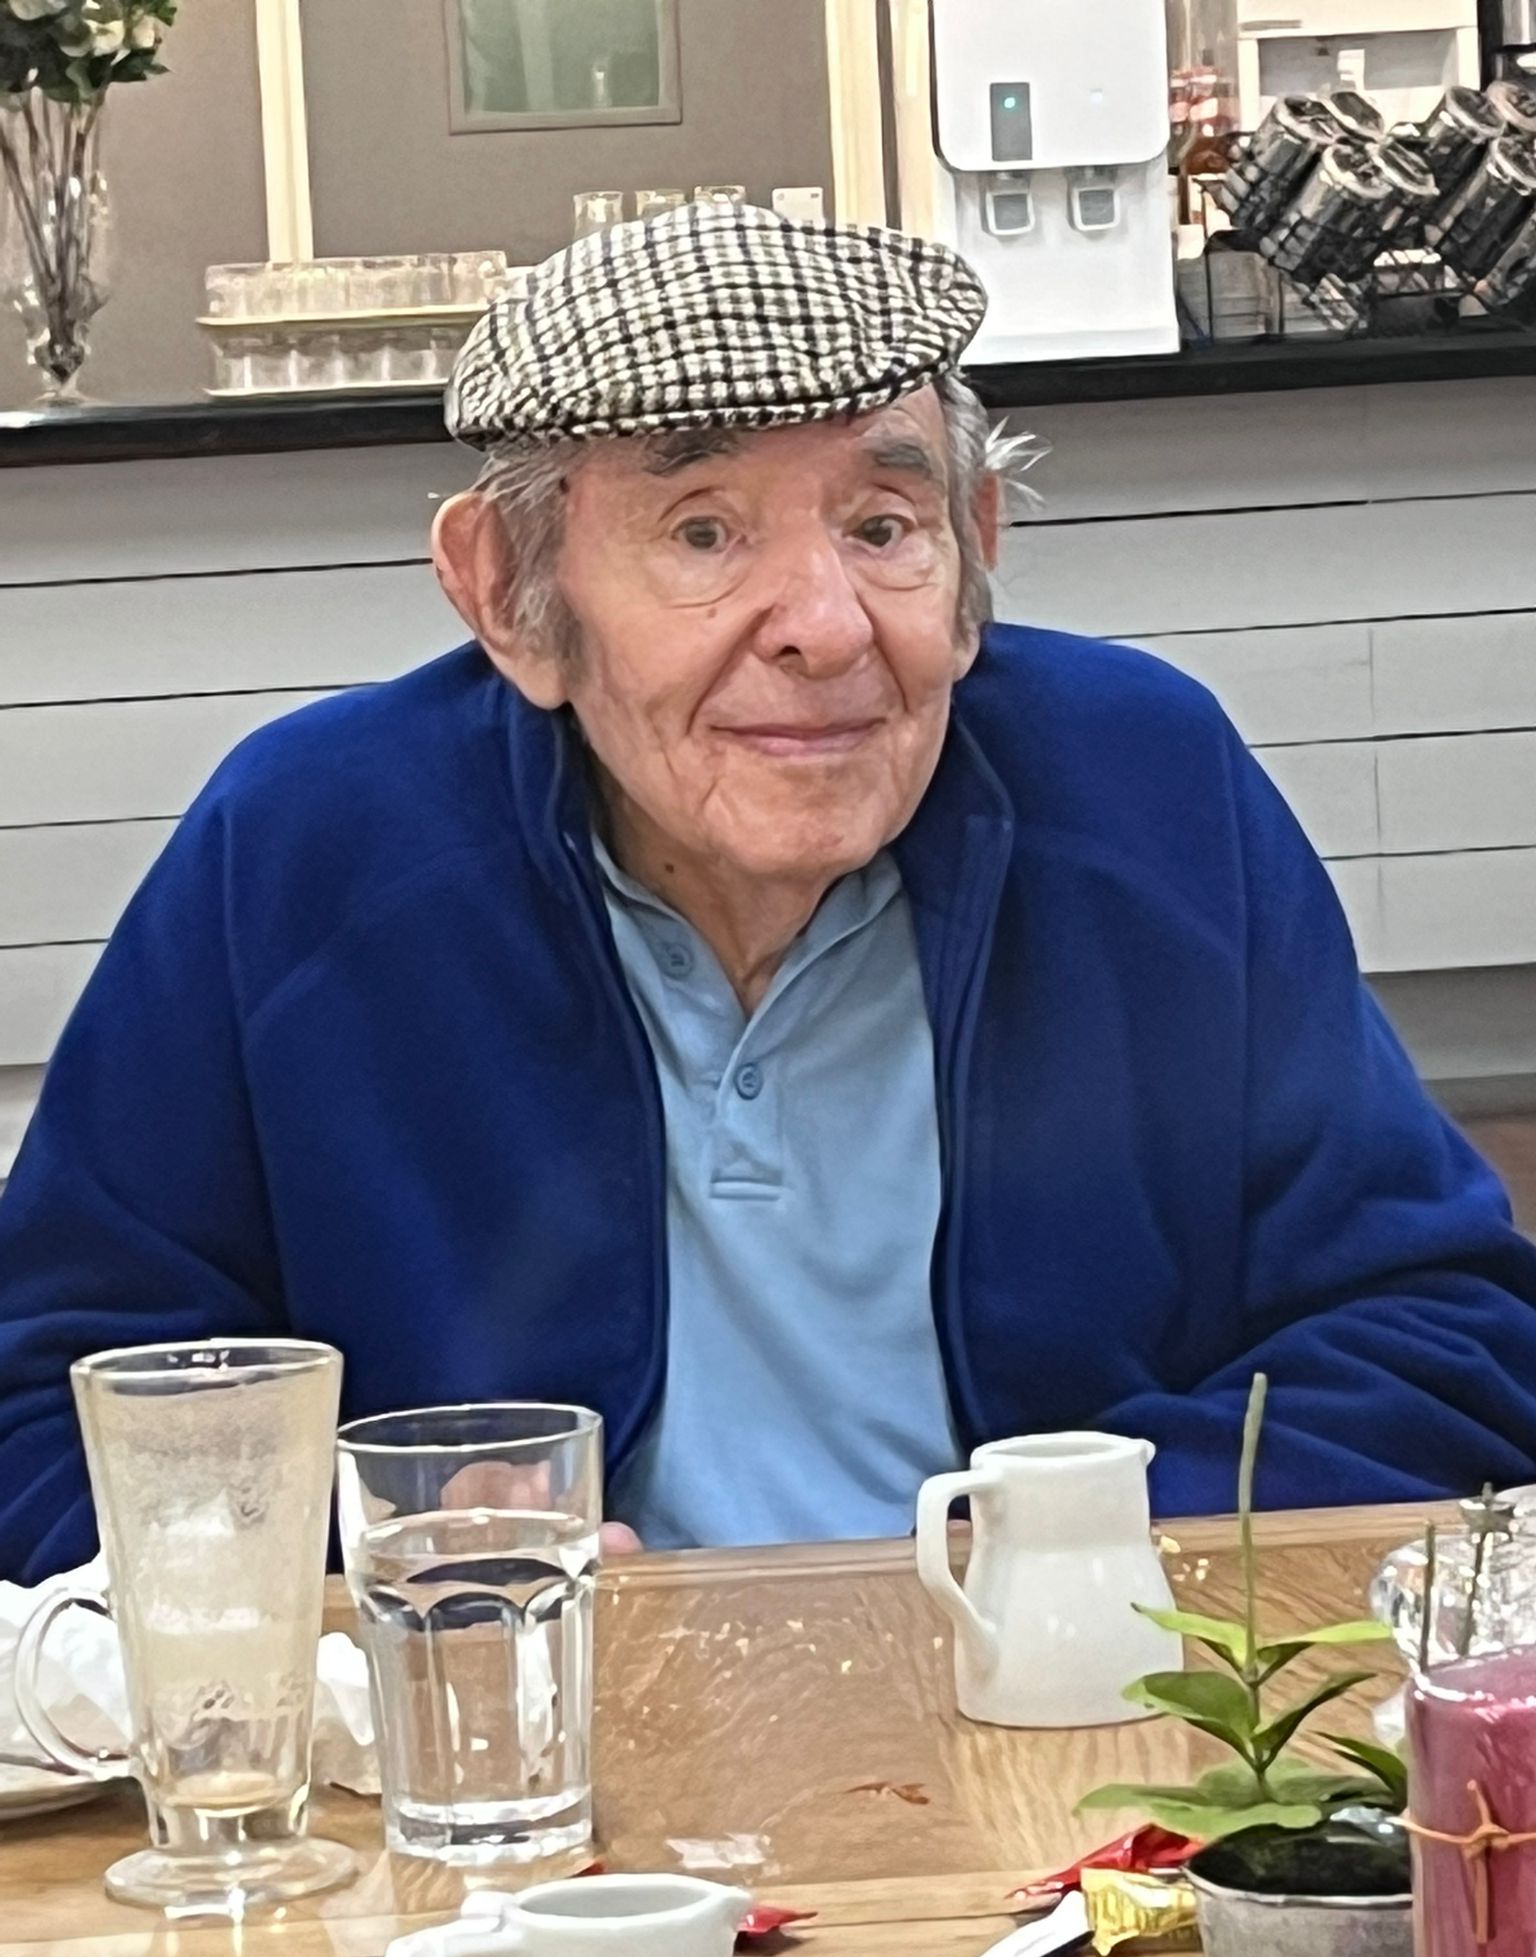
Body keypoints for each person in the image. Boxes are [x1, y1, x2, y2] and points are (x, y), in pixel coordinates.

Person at [3, 203, 1536, 1584]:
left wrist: (1072, 1549)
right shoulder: (310, 848)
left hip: (1073, 1711)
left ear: (974, 557)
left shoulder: (1147, 792)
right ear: (509, 597)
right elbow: (52, 1402)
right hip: (524, 1748)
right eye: (703, 533)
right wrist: (377, 1552)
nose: (824, 625)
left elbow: (1447, 1331)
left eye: (882, 528)